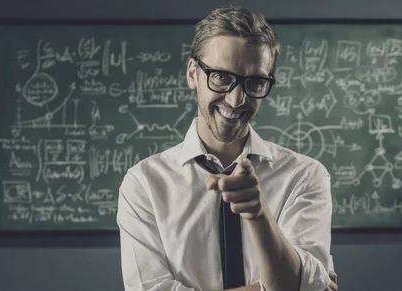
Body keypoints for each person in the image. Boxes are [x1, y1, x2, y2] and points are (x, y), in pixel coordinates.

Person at [117, 4, 337, 291]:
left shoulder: (304, 176)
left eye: (255, 82)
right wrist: (267, 288)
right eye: (221, 77)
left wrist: (259, 216)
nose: (235, 100)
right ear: (193, 74)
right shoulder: (144, 184)